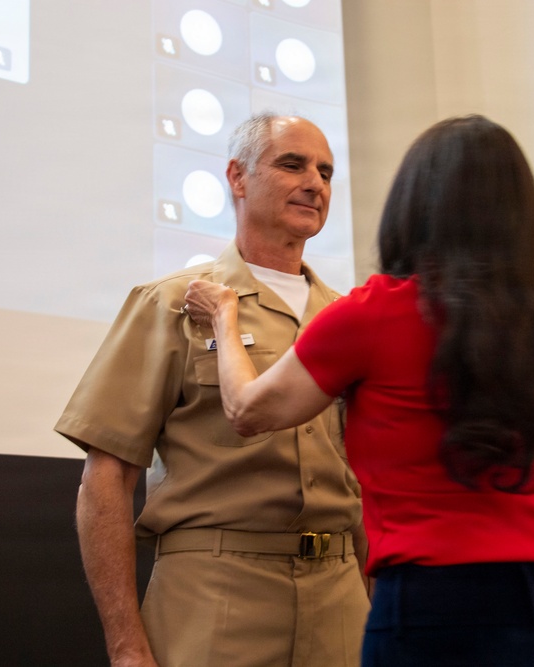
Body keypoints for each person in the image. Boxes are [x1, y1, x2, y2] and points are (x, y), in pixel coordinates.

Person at [184, 114, 534, 667]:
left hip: (431, 598)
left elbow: (247, 410)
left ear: (414, 203)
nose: (315, 183)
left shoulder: (373, 314)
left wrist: (224, 317)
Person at [55, 112, 370, 667]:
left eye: (325, 172)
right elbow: (106, 478)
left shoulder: (348, 320)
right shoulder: (171, 302)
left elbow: (369, 479)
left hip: (341, 599)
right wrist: (126, 646)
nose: (315, 184)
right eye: (292, 164)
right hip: (216, 595)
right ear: (237, 177)